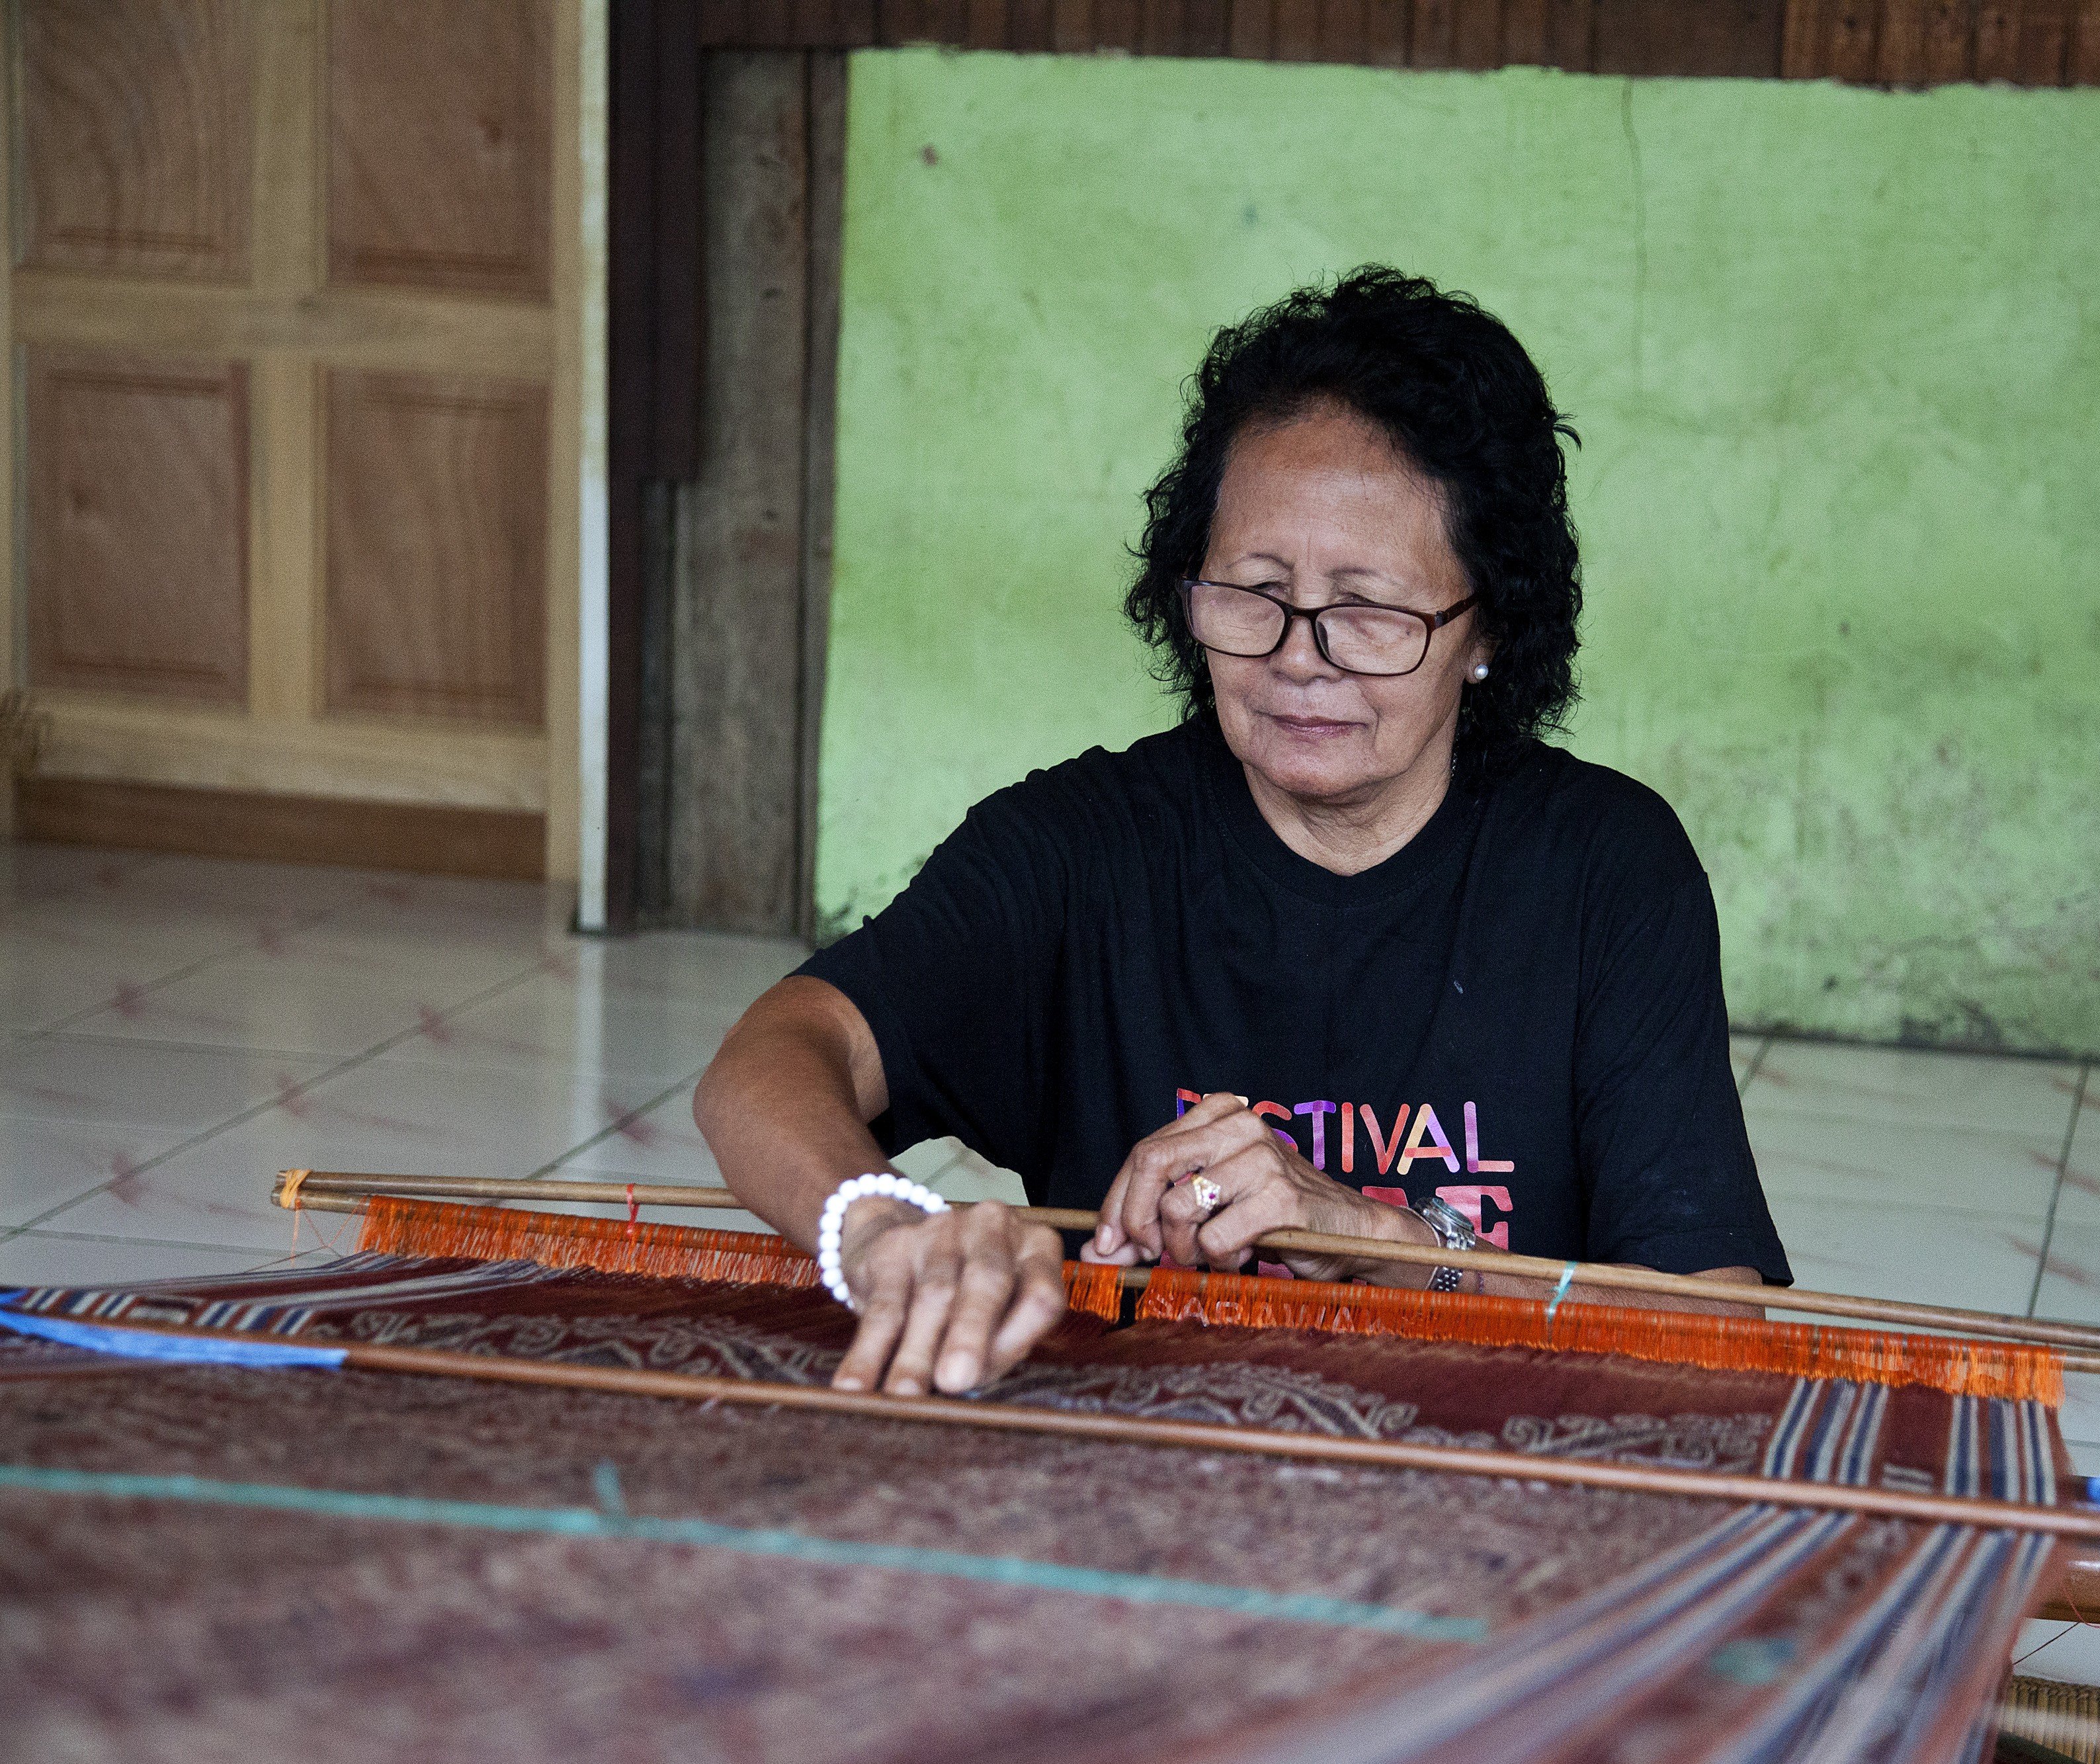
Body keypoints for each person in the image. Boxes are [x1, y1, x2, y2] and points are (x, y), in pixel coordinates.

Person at [694, 267, 1788, 1402]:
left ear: (1488, 630)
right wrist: (878, 1228)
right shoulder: (1086, 853)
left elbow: (1710, 1324)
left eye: (1370, 610)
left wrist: (1384, 1242)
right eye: (1253, 591)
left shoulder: (1603, 870)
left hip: (1486, 1480)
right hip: (1133, 1472)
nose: (1300, 656)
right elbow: (771, 1059)